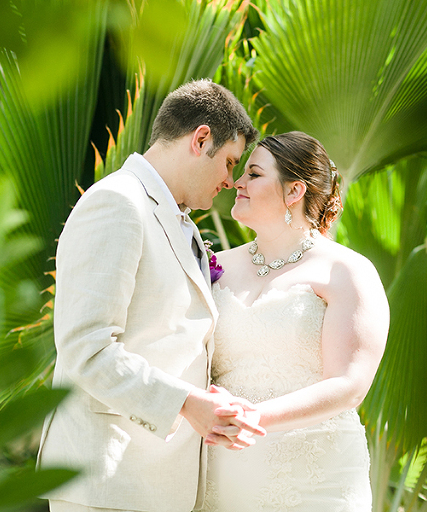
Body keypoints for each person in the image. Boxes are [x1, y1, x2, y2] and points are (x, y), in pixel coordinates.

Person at [37, 79, 266, 512]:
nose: (230, 180)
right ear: (201, 139)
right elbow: (86, 349)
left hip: (154, 484)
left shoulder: (179, 221)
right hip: (108, 481)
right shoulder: (118, 204)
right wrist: (185, 403)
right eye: (230, 162)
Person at [202, 132, 389, 511]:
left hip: (314, 479)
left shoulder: (346, 271)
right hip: (225, 475)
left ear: (294, 192)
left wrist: (254, 418)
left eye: (253, 174)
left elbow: (349, 385)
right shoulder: (214, 265)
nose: (237, 182)